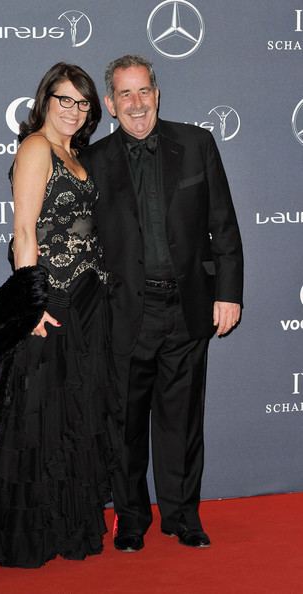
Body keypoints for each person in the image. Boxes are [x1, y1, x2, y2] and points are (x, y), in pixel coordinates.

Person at [0, 62, 121, 573]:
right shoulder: (37, 148)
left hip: (88, 301)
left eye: (82, 103)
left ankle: (64, 523)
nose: (73, 110)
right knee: (33, 420)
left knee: (73, 419)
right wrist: (31, 303)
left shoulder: (73, 152)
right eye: (64, 99)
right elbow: (23, 230)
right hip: (54, 301)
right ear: (45, 100)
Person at [81, 55, 243, 552]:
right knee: (125, 426)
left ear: (157, 93)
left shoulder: (196, 144)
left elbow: (224, 224)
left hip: (187, 308)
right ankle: (131, 519)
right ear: (110, 103)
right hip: (123, 312)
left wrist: (228, 293)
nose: (136, 103)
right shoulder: (90, 161)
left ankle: (182, 516)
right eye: (124, 94)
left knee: (182, 422)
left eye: (144, 91)